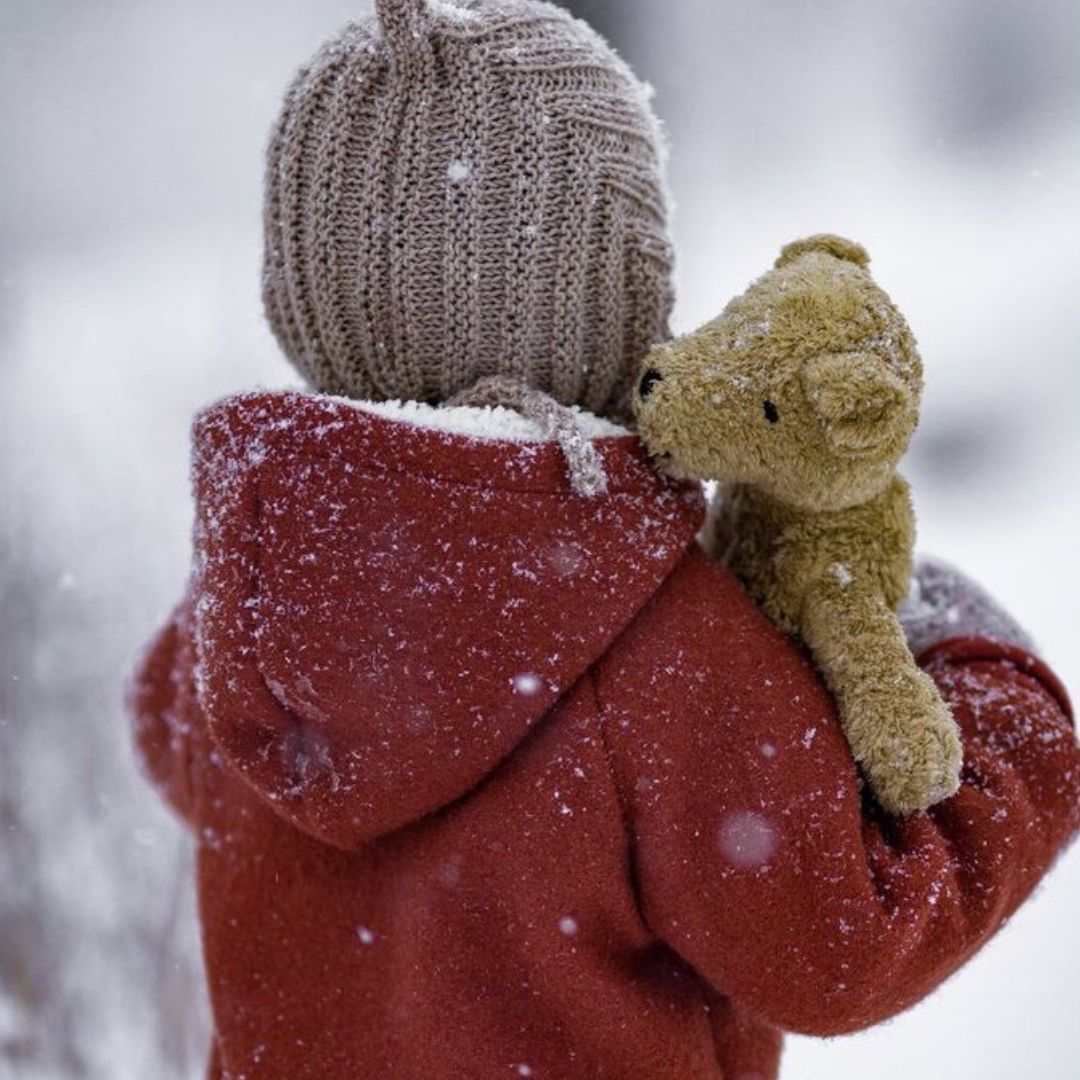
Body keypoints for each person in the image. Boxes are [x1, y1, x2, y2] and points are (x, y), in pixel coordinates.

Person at [130, 2, 1080, 1077]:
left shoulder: (260, 590)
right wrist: (994, 690)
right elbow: (846, 938)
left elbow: (163, 726)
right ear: (613, 296)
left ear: (303, 291)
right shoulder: (650, 641)